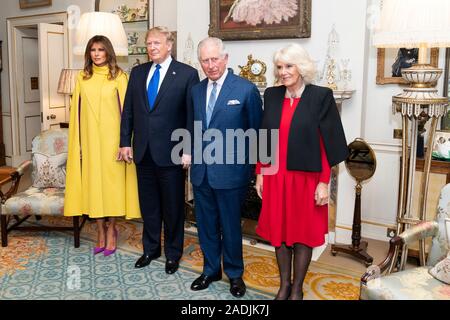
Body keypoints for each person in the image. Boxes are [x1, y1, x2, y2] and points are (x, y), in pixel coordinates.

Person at [255, 43, 348, 300]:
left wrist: (323, 182)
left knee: (302, 234)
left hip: (306, 178)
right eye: (279, 67)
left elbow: (327, 143)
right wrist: (260, 173)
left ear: (301, 67)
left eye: (289, 66)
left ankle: (297, 289)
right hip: (276, 177)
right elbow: (265, 136)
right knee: (280, 233)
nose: (283, 72)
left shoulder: (320, 96)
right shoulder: (272, 96)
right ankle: (284, 285)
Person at [119, 26, 199, 274]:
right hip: (142, 152)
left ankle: (173, 254)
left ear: (169, 45)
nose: (152, 48)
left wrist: (188, 148)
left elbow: (191, 116)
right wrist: (124, 142)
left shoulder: (187, 74)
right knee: (149, 206)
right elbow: (128, 111)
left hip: (172, 153)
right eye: (149, 44)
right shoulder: (138, 72)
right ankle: (150, 249)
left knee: (173, 208)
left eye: (156, 43)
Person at [189, 37, 263, 298]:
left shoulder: (246, 90)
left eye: (214, 59)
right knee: (206, 225)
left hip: (232, 174)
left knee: (231, 226)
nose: (210, 65)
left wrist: (257, 172)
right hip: (201, 172)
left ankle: (234, 274)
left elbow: (256, 133)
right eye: (205, 60)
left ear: (226, 58)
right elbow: (193, 127)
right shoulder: (196, 91)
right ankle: (211, 270)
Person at [64, 35, 141, 256]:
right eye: (93, 50)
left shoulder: (119, 76)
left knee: (112, 188)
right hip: (89, 143)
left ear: (108, 52)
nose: (97, 54)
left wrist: (126, 143)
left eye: (101, 49)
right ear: (89, 53)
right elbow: (76, 114)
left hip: (113, 145)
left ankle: (111, 229)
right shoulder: (82, 77)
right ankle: (99, 230)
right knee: (92, 187)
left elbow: (127, 114)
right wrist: (77, 144)